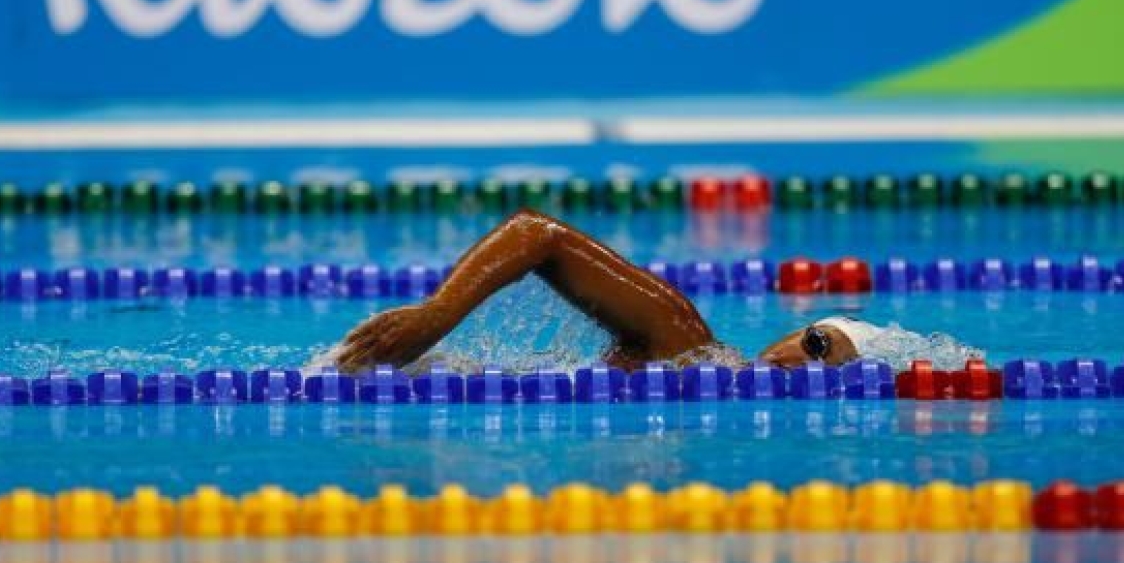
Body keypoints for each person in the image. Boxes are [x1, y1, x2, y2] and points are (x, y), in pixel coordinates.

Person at [334, 208, 888, 374]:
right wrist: (436, 316)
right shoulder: (687, 344)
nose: (807, 364)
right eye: (816, 343)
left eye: (832, 365)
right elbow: (537, 235)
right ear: (791, 332)